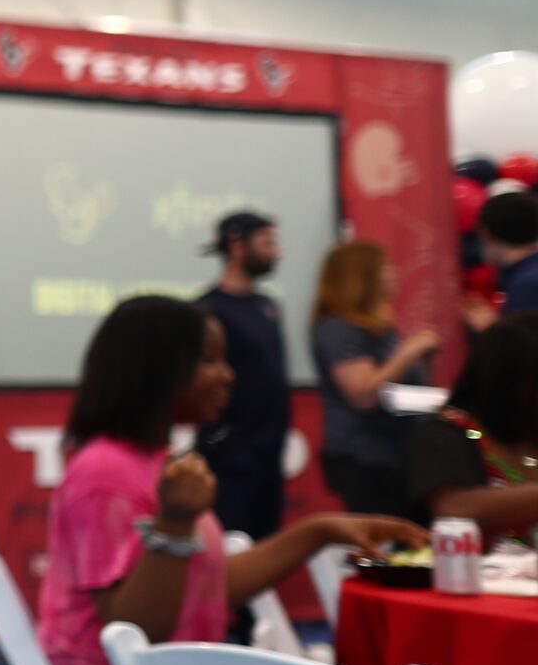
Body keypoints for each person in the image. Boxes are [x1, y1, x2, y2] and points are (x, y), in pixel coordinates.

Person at [39, 295, 422, 665]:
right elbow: (135, 631)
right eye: (209, 360)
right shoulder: (104, 475)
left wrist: (319, 532)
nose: (228, 375)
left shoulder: (150, 463)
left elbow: (209, 585)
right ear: (157, 370)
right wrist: (175, 524)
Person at [310, 241, 439, 517]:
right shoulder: (339, 329)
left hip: (397, 454)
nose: (393, 274)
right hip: (366, 460)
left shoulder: (379, 326)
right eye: (384, 268)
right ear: (361, 277)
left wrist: (422, 363)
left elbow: (401, 387)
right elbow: (364, 394)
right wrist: (407, 353)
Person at [195, 210, 290, 541]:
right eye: (266, 243)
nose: (275, 252)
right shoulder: (208, 309)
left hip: (269, 458)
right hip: (230, 463)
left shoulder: (269, 306)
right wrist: (221, 440)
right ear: (237, 245)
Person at [408, 312, 538, 547]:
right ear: (511, 379)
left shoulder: (527, 435)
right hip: (454, 579)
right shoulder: (447, 434)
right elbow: (454, 510)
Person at [470, 190, 538, 329]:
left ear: (485, 234)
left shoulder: (527, 285)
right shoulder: (527, 276)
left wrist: (489, 329)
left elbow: (522, 347)